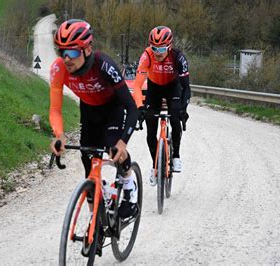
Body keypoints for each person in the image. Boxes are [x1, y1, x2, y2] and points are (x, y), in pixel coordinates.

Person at [49, 19, 139, 218]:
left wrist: (123, 142)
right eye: (61, 52)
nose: (66, 59)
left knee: (112, 147)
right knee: (88, 163)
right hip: (89, 111)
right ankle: (94, 222)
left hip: (113, 109)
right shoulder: (58, 69)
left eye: (72, 52)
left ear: (87, 49)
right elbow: (55, 109)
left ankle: (129, 186)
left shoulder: (104, 65)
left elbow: (131, 107)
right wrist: (59, 135)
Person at [131, 26, 190, 186]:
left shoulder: (178, 57)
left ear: (169, 46)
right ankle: (155, 166)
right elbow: (137, 86)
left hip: (173, 87)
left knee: (175, 116)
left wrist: (184, 109)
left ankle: (176, 155)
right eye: (154, 48)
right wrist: (139, 107)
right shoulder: (147, 56)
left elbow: (186, 87)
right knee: (150, 130)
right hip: (154, 89)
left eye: (161, 48)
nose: (157, 52)